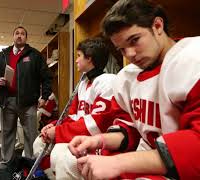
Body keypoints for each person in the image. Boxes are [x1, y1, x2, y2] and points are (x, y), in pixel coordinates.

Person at [69, 0, 200, 179]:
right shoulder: (127, 77)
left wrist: (118, 163)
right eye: (122, 49)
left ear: (158, 25)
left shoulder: (193, 58)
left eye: (135, 40)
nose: (129, 54)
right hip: (151, 165)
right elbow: (129, 130)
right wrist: (99, 140)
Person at [33, 37, 116, 179]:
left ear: (89, 58)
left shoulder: (108, 82)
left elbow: (96, 125)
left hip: (97, 141)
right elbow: (73, 116)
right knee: (38, 144)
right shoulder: (83, 83)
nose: (76, 60)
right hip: (78, 135)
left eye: (79, 56)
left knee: (65, 160)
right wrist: (53, 126)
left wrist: (58, 132)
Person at [0, 26, 52, 169]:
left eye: (23, 34)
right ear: (13, 36)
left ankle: (30, 164)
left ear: (26, 38)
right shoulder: (2, 55)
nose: (19, 36)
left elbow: (47, 77)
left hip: (28, 102)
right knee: (7, 133)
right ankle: (6, 163)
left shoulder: (35, 55)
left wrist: (45, 96)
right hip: (7, 100)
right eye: (17, 33)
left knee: (31, 134)